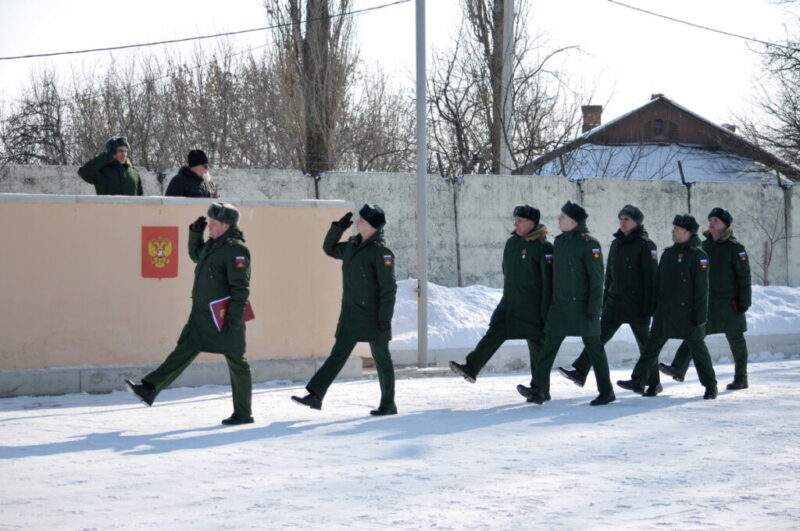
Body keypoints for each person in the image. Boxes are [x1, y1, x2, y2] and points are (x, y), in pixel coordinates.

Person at [125, 202, 254, 425]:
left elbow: (240, 288)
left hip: (224, 317)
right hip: (202, 315)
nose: (210, 227)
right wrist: (195, 233)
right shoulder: (214, 244)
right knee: (185, 348)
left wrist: (234, 318)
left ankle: (243, 413)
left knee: (237, 362)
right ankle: (150, 388)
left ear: (225, 225)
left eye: (213, 224)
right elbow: (197, 255)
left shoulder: (236, 250)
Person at [292, 204, 398, 416]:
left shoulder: (381, 253)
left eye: (362, 220)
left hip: (373, 316)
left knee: (382, 360)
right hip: (351, 314)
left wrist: (385, 318)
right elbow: (329, 249)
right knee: (338, 354)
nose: (357, 222)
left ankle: (388, 404)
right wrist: (337, 228)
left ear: (372, 226)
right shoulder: (352, 246)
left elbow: (389, 289)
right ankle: (316, 395)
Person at [449, 205, 553, 400]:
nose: (516, 223)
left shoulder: (543, 248)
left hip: (533, 307)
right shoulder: (512, 243)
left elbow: (548, 282)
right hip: (510, 303)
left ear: (533, 223)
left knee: (538, 347)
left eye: (520, 220)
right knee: (495, 331)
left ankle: (540, 389)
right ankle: (471, 367)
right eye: (516, 219)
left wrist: (546, 312)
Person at [517, 201, 615, 406]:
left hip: (583, 308)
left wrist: (594, 310)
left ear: (573, 221)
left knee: (594, 349)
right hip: (560, 307)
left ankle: (606, 392)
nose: (558, 219)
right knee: (548, 347)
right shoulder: (559, 242)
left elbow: (597, 280)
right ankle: (538, 389)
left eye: (562, 217)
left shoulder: (590, 243)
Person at [558, 205, 660, 395]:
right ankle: (580, 371)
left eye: (626, 219)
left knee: (645, 345)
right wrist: (604, 301)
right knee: (598, 338)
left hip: (638, 305)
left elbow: (652, 279)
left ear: (637, 222)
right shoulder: (616, 243)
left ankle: (653, 383)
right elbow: (609, 275)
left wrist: (650, 307)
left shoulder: (647, 245)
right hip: (616, 303)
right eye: (620, 218)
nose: (622, 222)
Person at [617, 214, 718, 400]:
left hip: (689, 314)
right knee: (651, 348)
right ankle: (638, 380)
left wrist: (700, 317)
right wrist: (654, 307)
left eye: (676, 229)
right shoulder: (668, 253)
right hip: (665, 312)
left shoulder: (699, 256)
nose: (672, 231)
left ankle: (710, 386)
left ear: (686, 232)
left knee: (699, 351)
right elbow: (658, 283)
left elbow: (702, 290)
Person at [659, 207, 751, 390]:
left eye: (716, 220)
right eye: (710, 219)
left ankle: (741, 378)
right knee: (694, 334)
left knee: (736, 340)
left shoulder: (736, 248)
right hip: (707, 302)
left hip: (729, 303)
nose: (711, 222)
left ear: (725, 224)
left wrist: (744, 302)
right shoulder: (703, 246)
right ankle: (678, 368)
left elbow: (744, 277)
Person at [77, 136, 143, 196]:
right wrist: (105, 157)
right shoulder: (101, 171)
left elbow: (140, 199)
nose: (124, 154)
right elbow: (83, 172)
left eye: (126, 151)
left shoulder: (134, 174)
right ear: (111, 152)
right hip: (107, 209)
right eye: (120, 150)